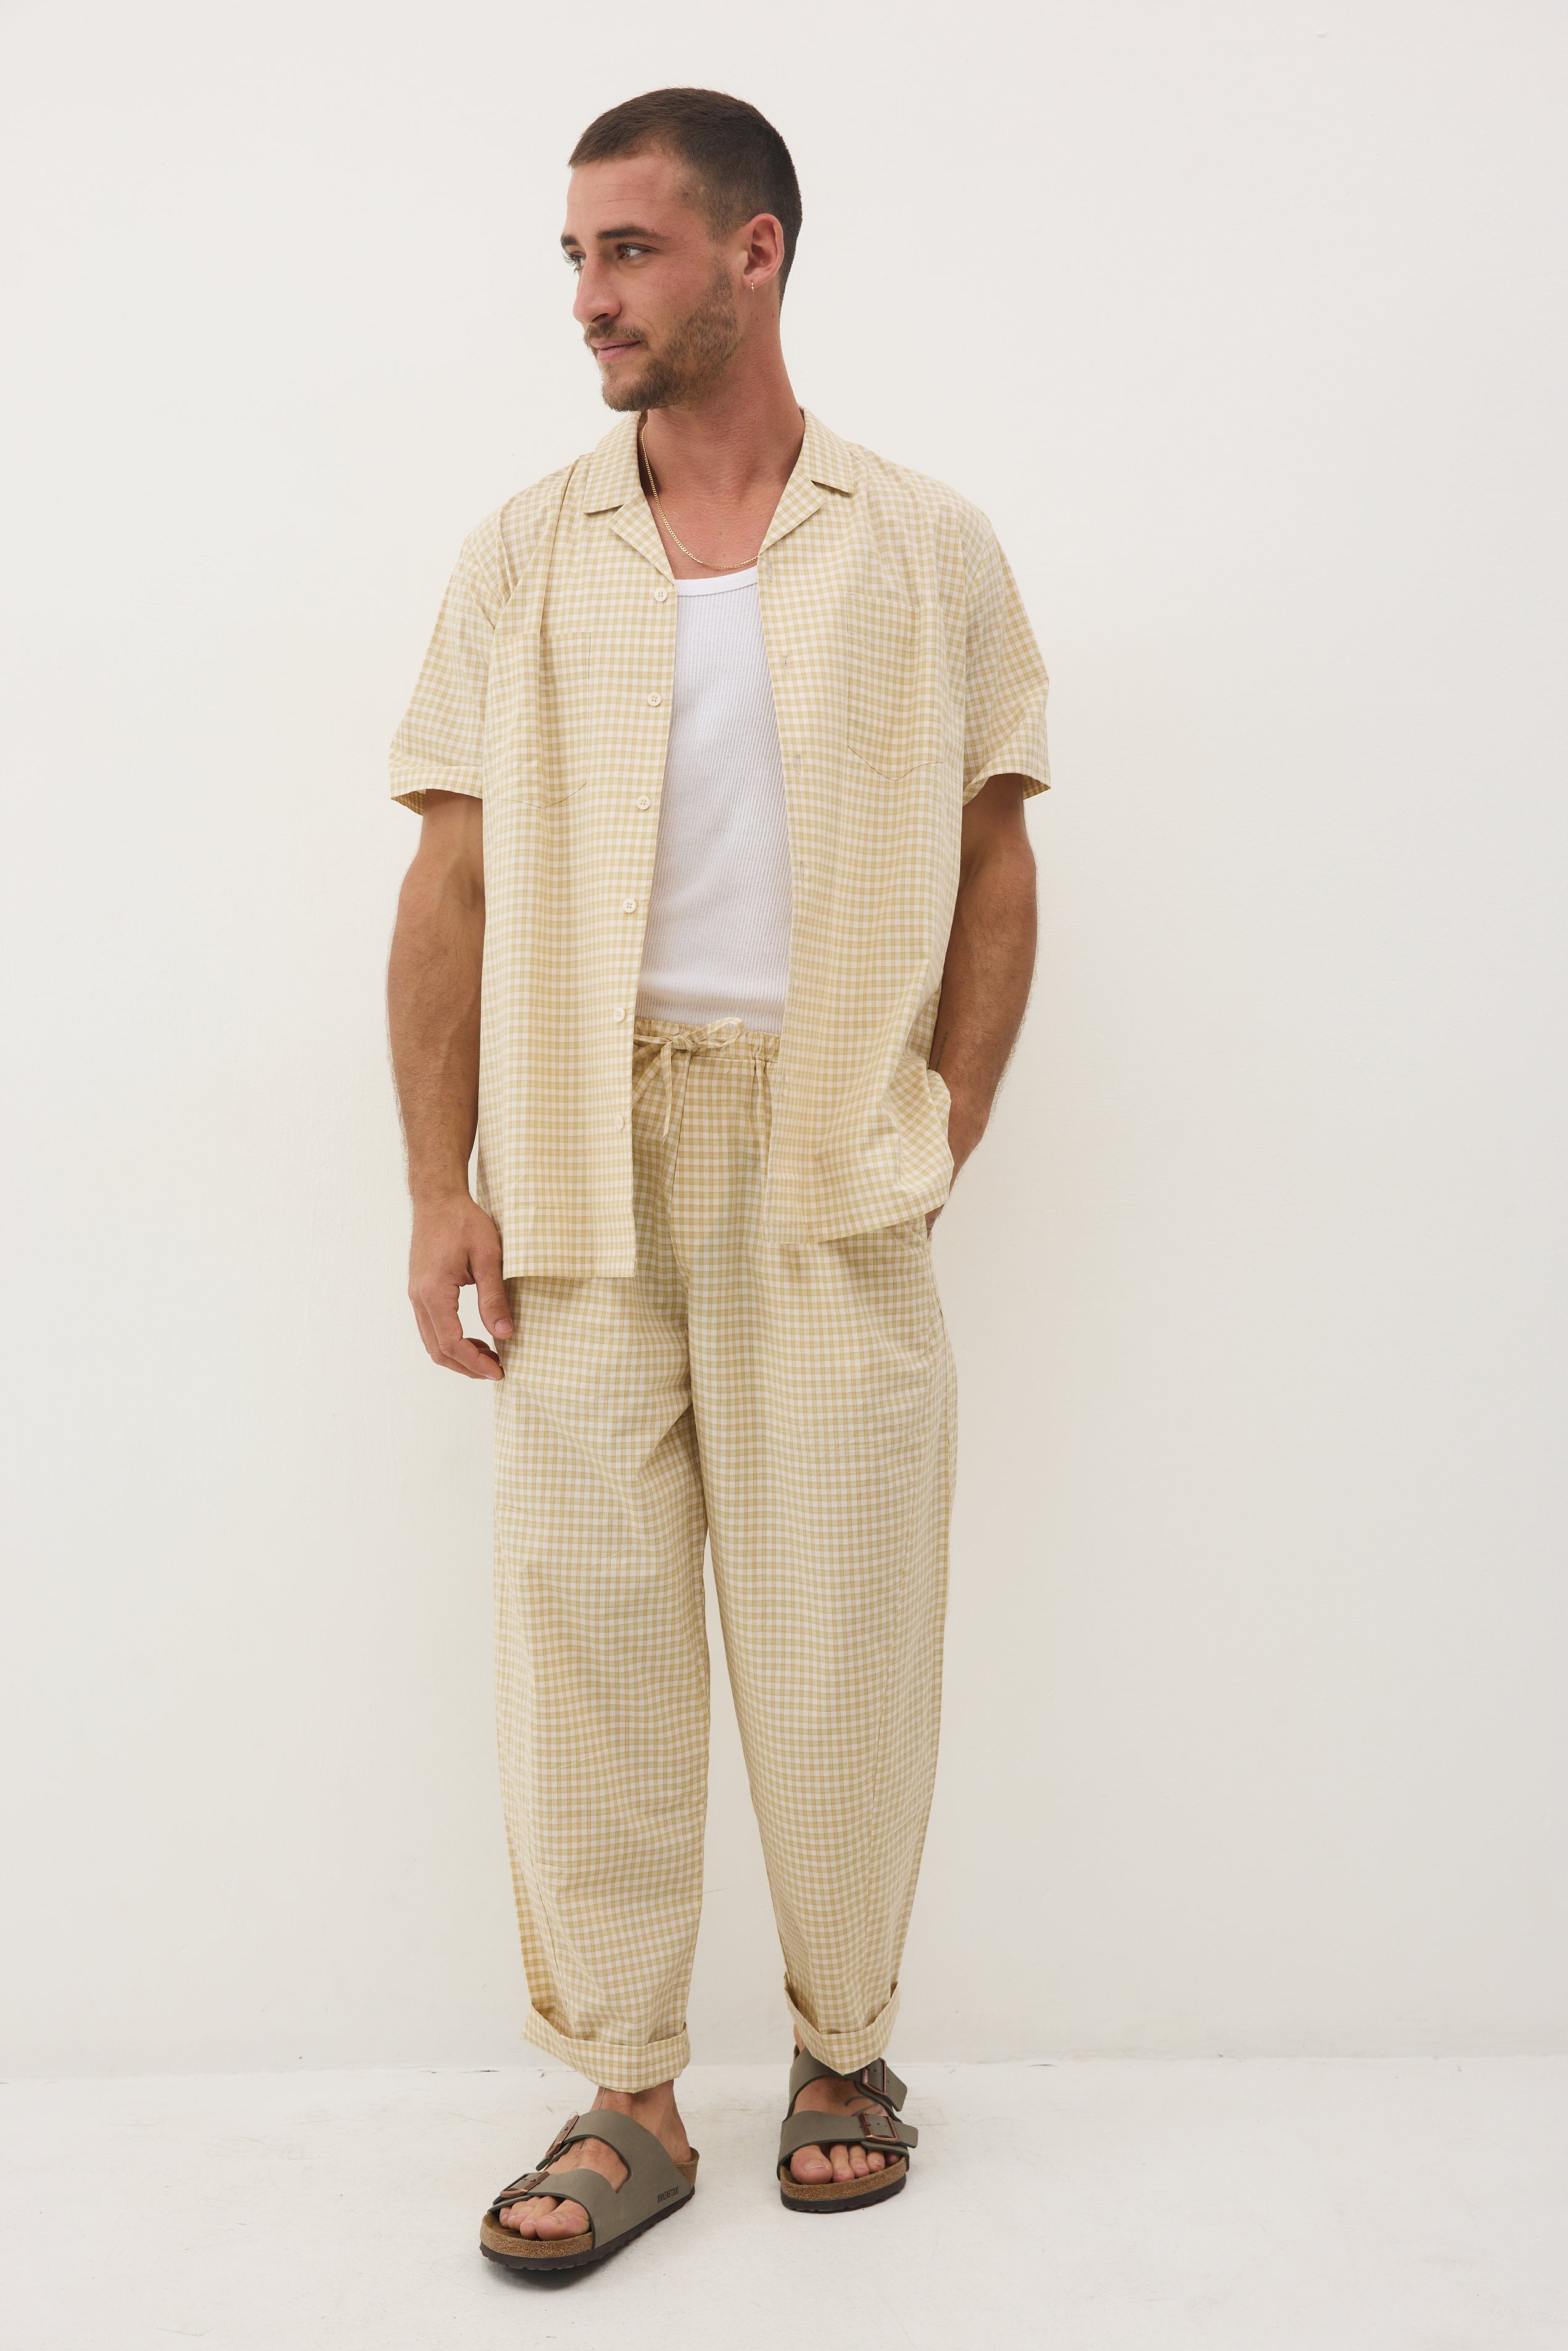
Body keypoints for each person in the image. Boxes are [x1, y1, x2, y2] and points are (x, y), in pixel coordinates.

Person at [386, 86, 1048, 2272]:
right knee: (587, 1637)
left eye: (631, 252)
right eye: (576, 257)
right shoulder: (523, 552)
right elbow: (452, 882)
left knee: (842, 1621)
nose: (591, 298)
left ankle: (847, 2052)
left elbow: (995, 855)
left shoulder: (925, 544)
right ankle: (631, 2095)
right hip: (580, 1154)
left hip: (825, 1152)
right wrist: (437, 1183)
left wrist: (942, 1122)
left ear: (755, 253)